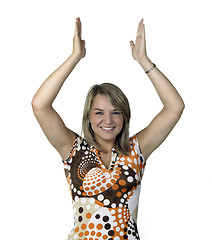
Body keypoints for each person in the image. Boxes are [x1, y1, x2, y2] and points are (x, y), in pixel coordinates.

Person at [32, 17, 185, 240]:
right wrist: (74, 57)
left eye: (116, 112)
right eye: (99, 112)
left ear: (124, 116)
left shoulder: (136, 149)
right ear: (89, 117)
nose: (108, 120)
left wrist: (143, 60)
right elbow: (39, 105)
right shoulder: (73, 150)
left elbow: (175, 107)